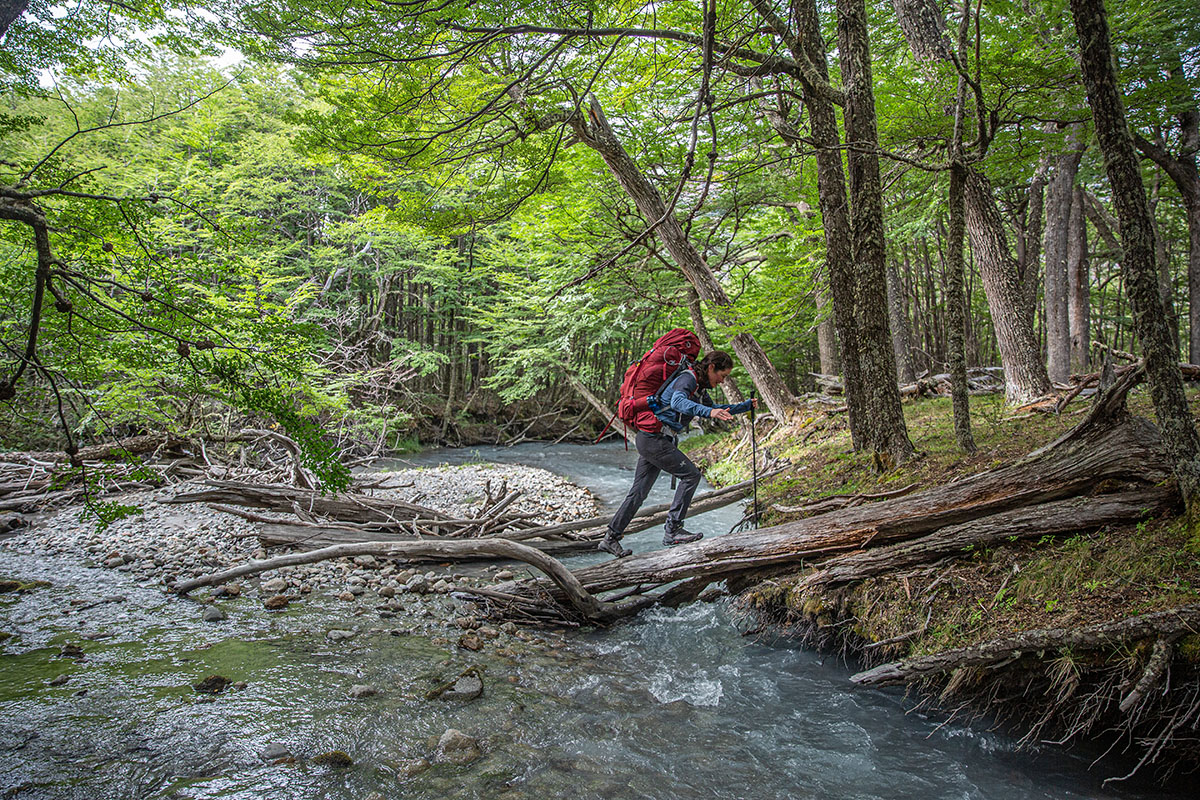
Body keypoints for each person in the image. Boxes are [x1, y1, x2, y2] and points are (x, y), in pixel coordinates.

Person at [598, 351, 757, 558]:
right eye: (722, 375)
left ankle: (610, 538)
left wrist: (743, 407)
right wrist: (709, 413)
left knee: (638, 492)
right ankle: (673, 529)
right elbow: (677, 402)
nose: (722, 381)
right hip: (654, 439)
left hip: (654, 439)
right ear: (711, 368)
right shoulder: (687, 379)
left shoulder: (698, 388)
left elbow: (715, 408)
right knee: (691, 475)